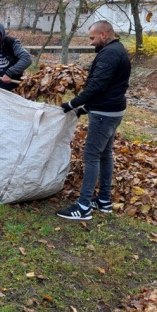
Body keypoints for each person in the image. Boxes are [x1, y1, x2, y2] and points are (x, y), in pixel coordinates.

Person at [56, 20, 131, 220]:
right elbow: (111, 86)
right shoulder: (118, 50)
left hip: (104, 115)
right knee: (105, 154)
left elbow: (97, 86)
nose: (90, 42)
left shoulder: (109, 54)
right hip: (113, 111)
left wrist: (71, 104)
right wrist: (86, 107)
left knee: (90, 156)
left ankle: (83, 207)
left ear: (104, 34)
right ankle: (104, 200)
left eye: (92, 38)